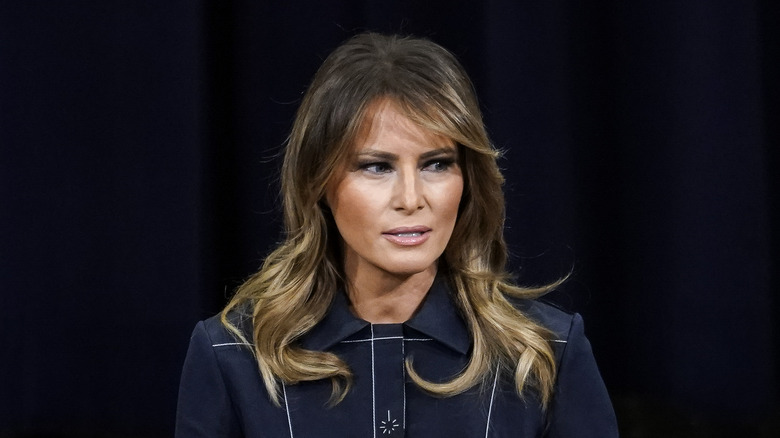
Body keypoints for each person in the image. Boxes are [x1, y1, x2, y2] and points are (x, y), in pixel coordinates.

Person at [175, 32, 618, 437]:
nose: (411, 198)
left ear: (468, 181)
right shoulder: (232, 356)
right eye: (376, 166)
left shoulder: (547, 353)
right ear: (320, 184)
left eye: (437, 164)